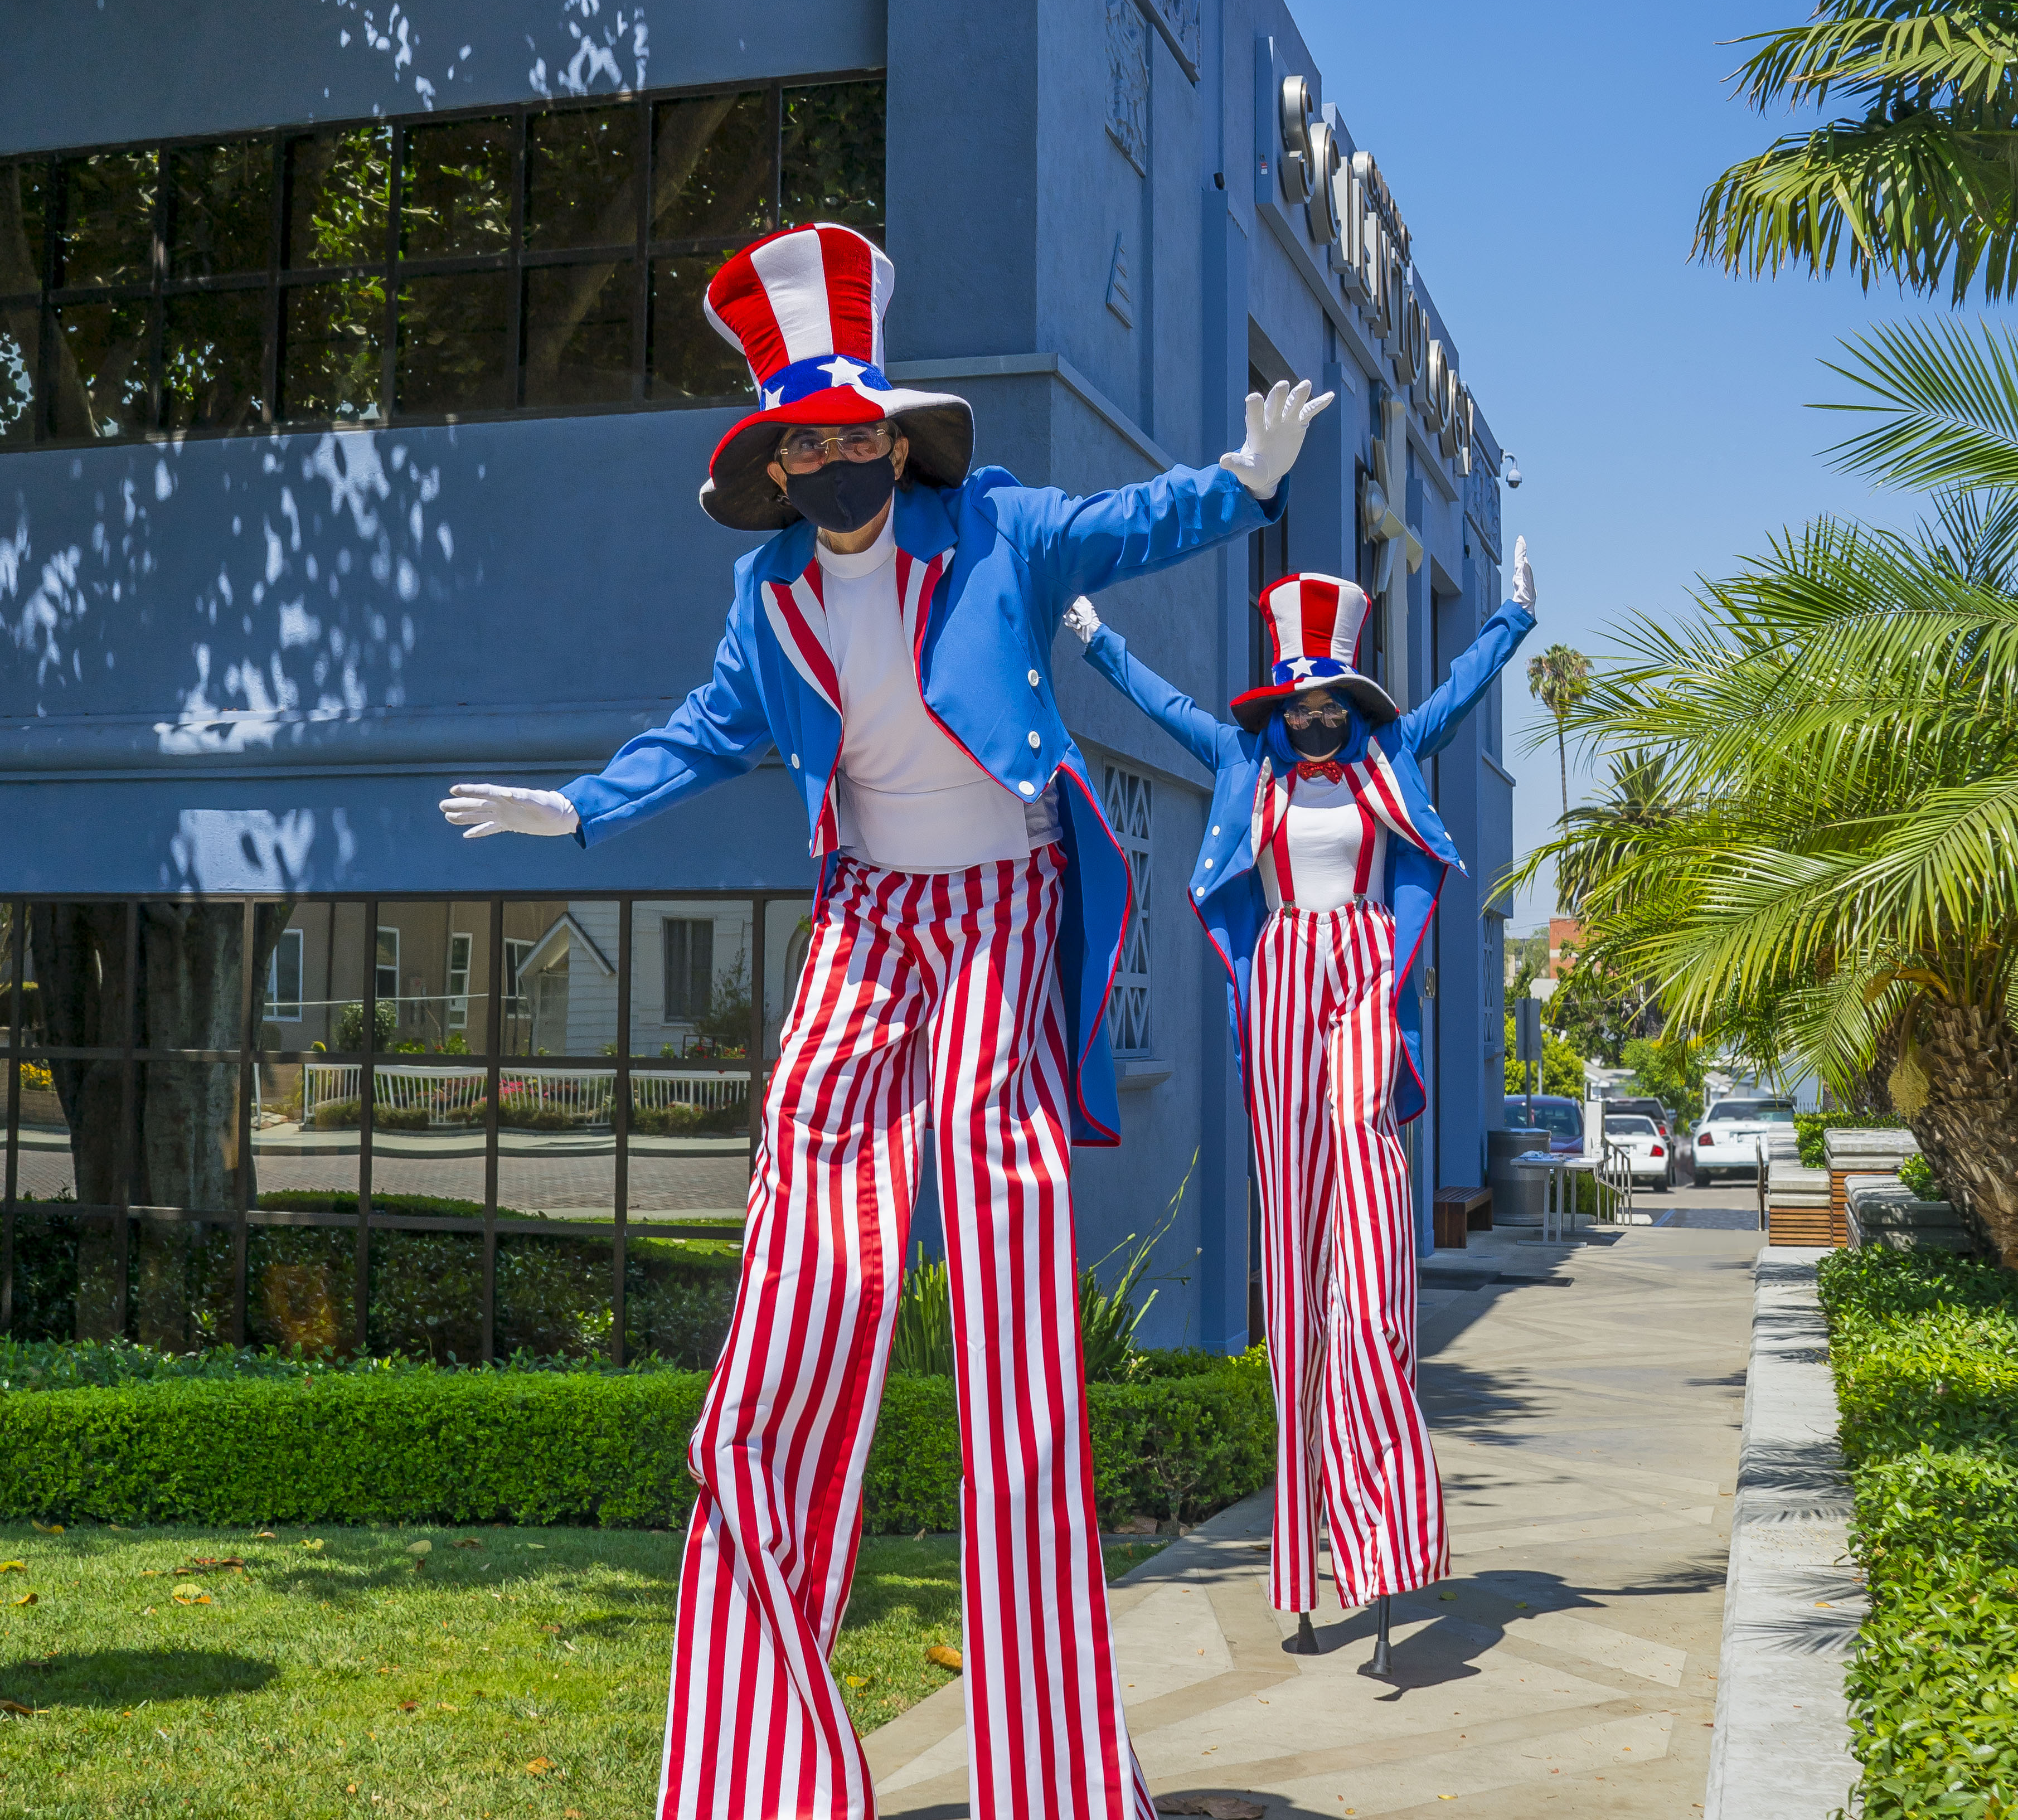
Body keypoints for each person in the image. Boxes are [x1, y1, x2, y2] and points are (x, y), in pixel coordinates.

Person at [436, 221, 1332, 1820]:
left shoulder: (988, 526)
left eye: (860, 432)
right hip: (866, 921)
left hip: (998, 911)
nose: (840, 457)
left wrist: (1241, 487)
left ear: (892, 435)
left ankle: (1054, 1778)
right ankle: (753, 1775)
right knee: (800, 1286)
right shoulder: (763, 593)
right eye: (810, 441)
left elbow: (1125, 524)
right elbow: (705, 735)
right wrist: (577, 812)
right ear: (773, 462)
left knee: (1010, 1328)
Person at [1062, 542, 1536, 1655]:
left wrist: (1512, 615)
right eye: (1302, 702)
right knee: (1295, 1274)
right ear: (1279, 702)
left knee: (1366, 1285)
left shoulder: (1390, 754)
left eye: (1335, 701)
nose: (1319, 718)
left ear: (1352, 699)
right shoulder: (1242, 760)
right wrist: (1090, 638)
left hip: (1363, 975)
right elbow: (1161, 699)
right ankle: (1307, 1554)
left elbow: (1459, 690)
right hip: (1277, 983)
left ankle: (1383, 1540)